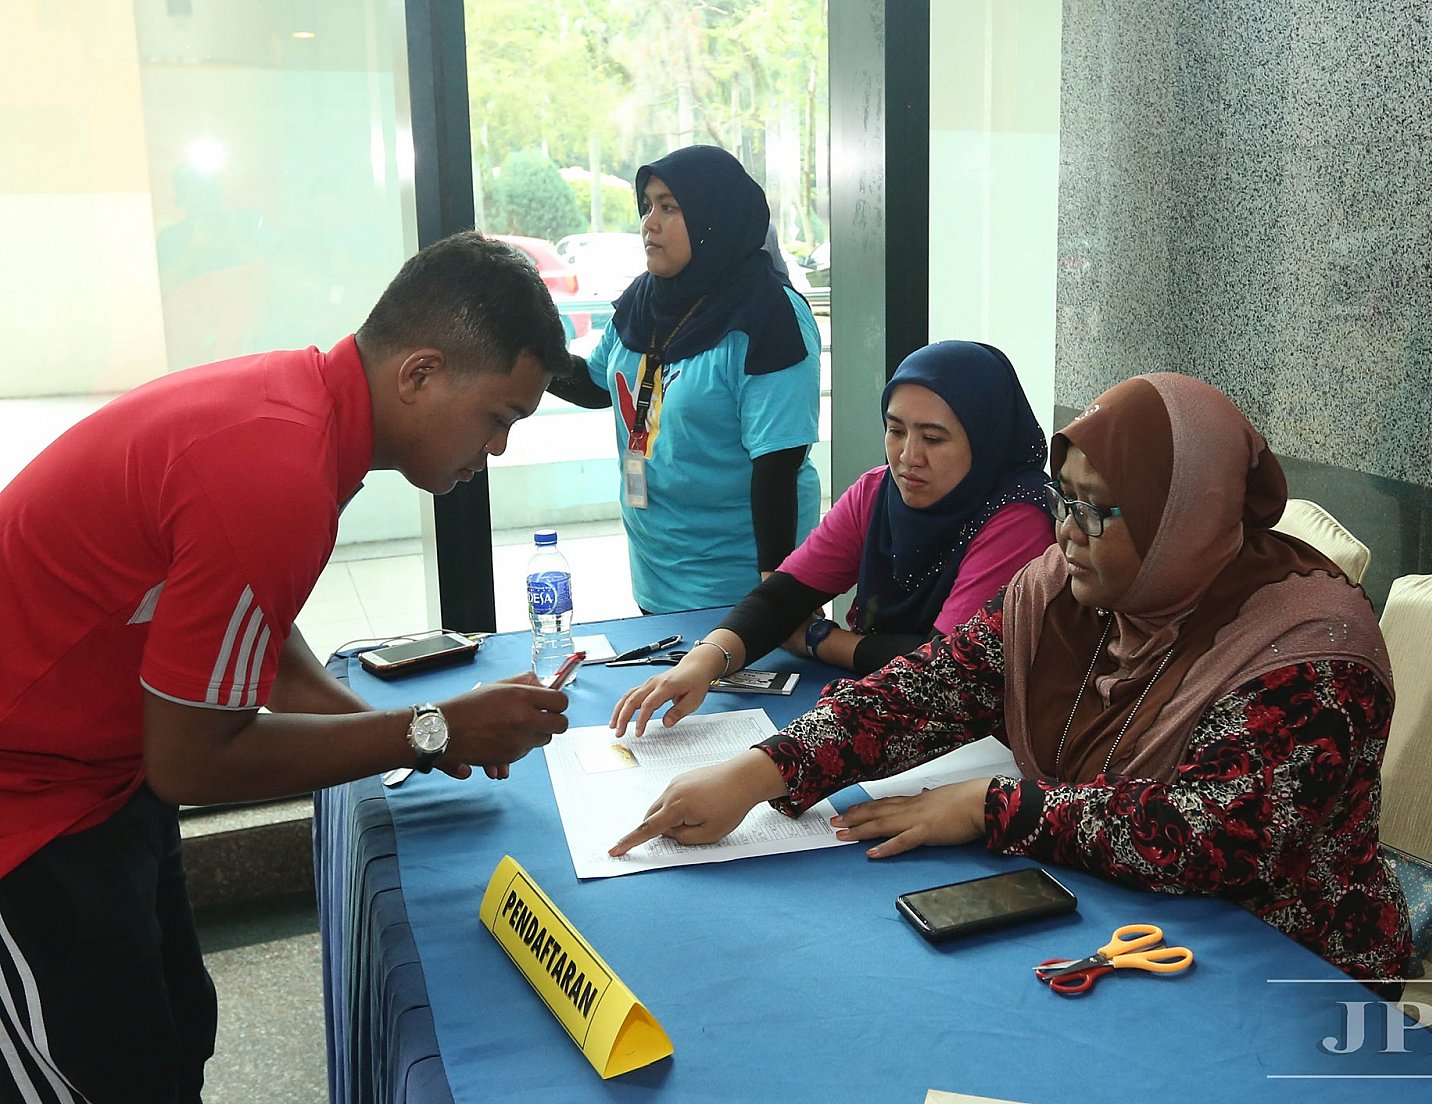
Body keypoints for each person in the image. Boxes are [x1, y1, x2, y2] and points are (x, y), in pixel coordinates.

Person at [0, 232, 573, 1100]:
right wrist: (428, 730)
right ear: (420, 374)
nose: (496, 450)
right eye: (500, 417)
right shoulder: (277, 468)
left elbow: (260, 640)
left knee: (172, 1036)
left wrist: (416, 732)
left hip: (103, 779)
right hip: (27, 804)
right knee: (95, 1074)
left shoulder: (301, 407)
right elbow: (192, 760)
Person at [612, 372, 1414, 985]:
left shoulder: (1309, 653)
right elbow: (931, 686)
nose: (1065, 533)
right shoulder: (1068, 594)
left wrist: (990, 804)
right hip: (1113, 920)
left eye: (1095, 509)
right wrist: (761, 772)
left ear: (1182, 516)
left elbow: (1211, 837)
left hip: (1290, 975)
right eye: (1065, 499)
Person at [611, 340, 1056, 736]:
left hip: (978, 734)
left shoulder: (1020, 516)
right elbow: (782, 597)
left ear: (986, 438)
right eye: (896, 430)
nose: (908, 456)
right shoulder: (878, 491)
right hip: (884, 703)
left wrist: (818, 639)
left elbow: (943, 663)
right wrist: (702, 663)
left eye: (934, 439)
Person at [546, 144, 822, 614]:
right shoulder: (644, 298)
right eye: (647, 206)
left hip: (739, 586)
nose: (649, 222)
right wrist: (529, 350)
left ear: (715, 216)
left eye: (669, 207)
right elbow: (596, 386)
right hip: (656, 572)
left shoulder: (770, 314)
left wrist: (774, 603)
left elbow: (778, 465)